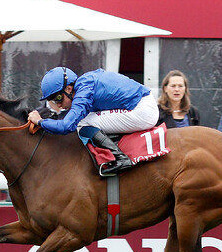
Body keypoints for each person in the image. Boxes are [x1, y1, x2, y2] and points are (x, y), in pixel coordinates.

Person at [27, 67, 158, 176]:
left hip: (143, 111)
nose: (59, 104)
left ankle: (120, 158)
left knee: (82, 124)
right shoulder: (84, 84)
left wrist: (40, 121)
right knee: (85, 120)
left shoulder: (83, 92)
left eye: (59, 98)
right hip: (141, 104)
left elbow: (66, 126)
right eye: (54, 101)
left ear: (68, 89)